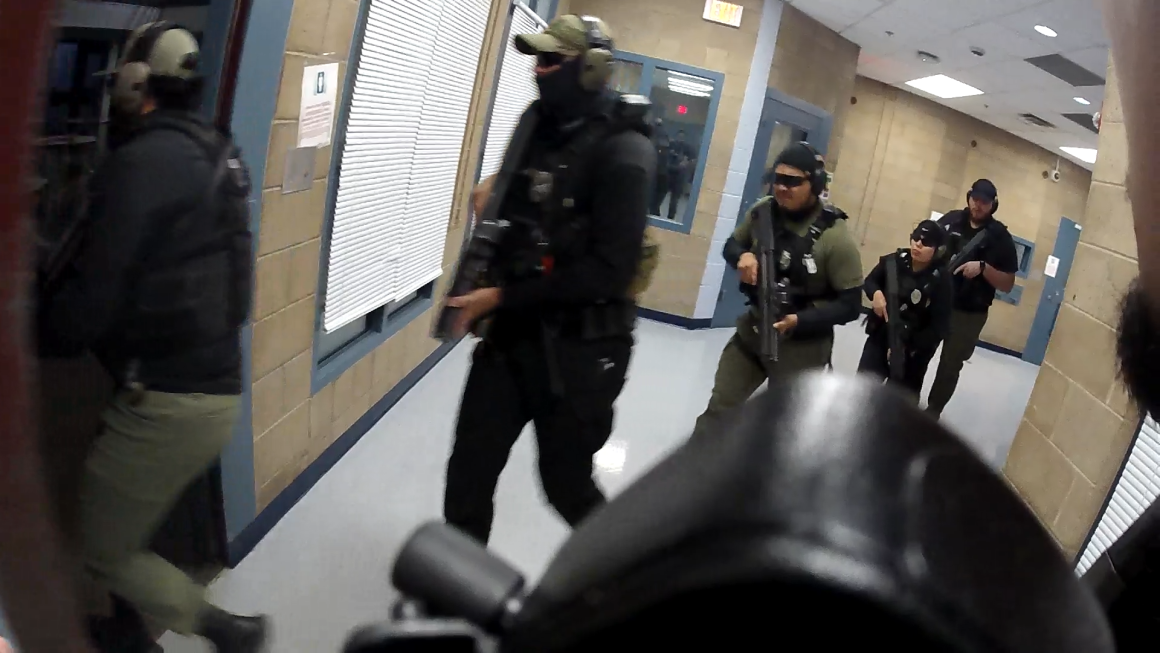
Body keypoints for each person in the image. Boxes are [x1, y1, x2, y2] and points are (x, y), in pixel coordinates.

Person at [37, 23, 268, 652]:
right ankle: (121, 629)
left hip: (164, 401)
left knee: (102, 547)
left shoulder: (139, 163)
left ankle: (224, 630)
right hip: (212, 390)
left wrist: (38, 335)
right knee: (119, 518)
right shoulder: (218, 151)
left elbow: (86, 305)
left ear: (139, 86)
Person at [439, 14, 655, 545]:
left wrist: (500, 295)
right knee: (468, 475)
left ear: (592, 68)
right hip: (513, 336)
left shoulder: (626, 151)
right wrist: (494, 200)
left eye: (553, 60)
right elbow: (518, 208)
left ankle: (625, 576)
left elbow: (608, 273)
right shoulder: (538, 123)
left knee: (566, 486)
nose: (539, 70)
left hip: (580, 351)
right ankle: (460, 583)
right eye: (537, 59)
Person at [691, 142, 863, 437]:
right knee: (719, 412)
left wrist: (800, 320)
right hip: (753, 334)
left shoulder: (836, 237)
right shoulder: (762, 212)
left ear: (815, 184)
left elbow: (850, 305)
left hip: (802, 349)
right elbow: (732, 245)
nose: (782, 187)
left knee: (783, 432)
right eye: (778, 179)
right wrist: (742, 256)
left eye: (793, 181)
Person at [924, 180, 1018, 418]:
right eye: (975, 199)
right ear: (968, 197)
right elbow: (926, 248)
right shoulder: (951, 221)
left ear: (993, 204)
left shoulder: (1000, 237)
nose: (978, 205)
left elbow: (1008, 283)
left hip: (969, 313)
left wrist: (983, 268)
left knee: (950, 365)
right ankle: (906, 397)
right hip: (936, 302)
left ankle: (933, 412)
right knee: (919, 350)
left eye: (984, 201)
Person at [858, 220, 953, 399]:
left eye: (926, 242)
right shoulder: (894, 262)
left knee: (900, 405)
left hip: (913, 351)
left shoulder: (941, 280)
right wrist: (876, 294)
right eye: (915, 238)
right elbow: (870, 281)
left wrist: (906, 346)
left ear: (938, 249)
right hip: (881, 337)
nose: (918, 244)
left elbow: (940, 327)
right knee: (863, 392)